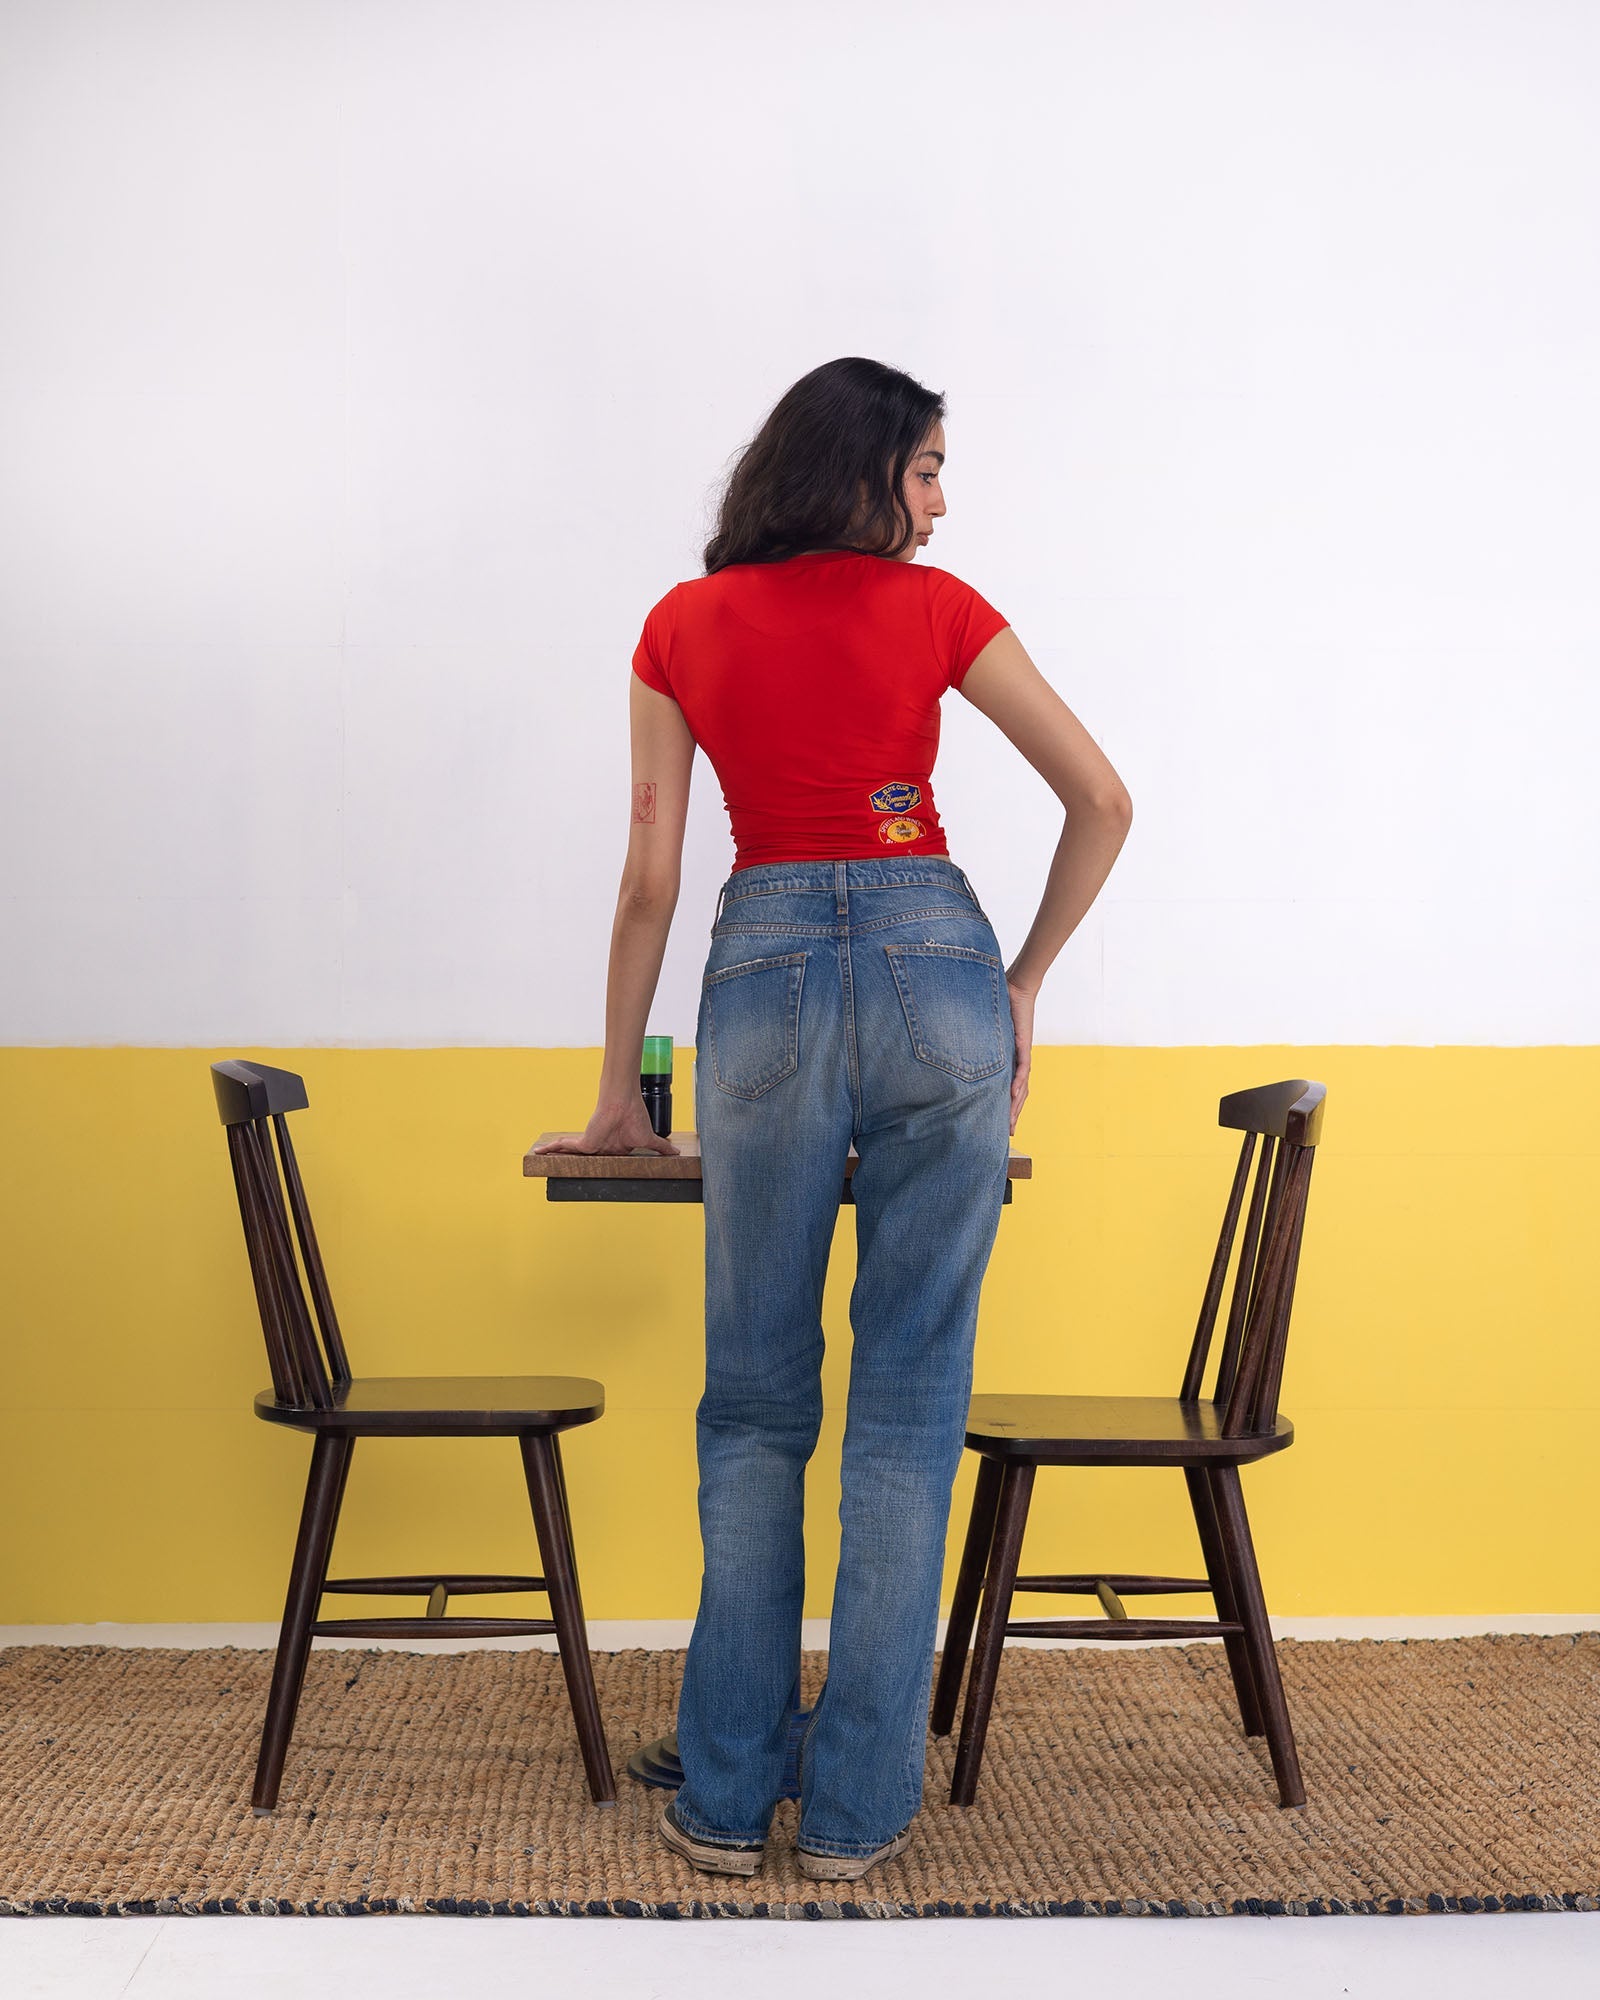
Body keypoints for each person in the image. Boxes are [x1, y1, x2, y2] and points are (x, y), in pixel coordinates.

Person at [533, 356, 1132, 1881]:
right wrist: (1022, 982)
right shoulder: (941, 612)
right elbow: (1105, 801)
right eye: (928, 468)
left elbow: (650, 881)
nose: (941, 501)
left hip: (764, 973)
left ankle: (727, 1797)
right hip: (941, 971)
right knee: (911, 1407)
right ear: (864, 471)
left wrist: (618, 1094)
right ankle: (858, 1811)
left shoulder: (681, 626)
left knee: (752, 1405)